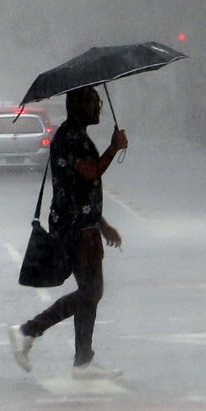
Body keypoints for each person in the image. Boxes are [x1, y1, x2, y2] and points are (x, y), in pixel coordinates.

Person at [9, 86, 128, 379]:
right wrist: (114, 147)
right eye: (92, 102)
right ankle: (28, 331)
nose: (98, 107)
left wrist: (102, 224)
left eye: (99, 102)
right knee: (91, 291)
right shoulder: (70, 138)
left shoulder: (76, 135)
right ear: (76, 105)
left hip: (83, 225)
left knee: (91, 293)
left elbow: (81, 190)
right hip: (75, 230)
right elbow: (90, 173)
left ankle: (83, 361)